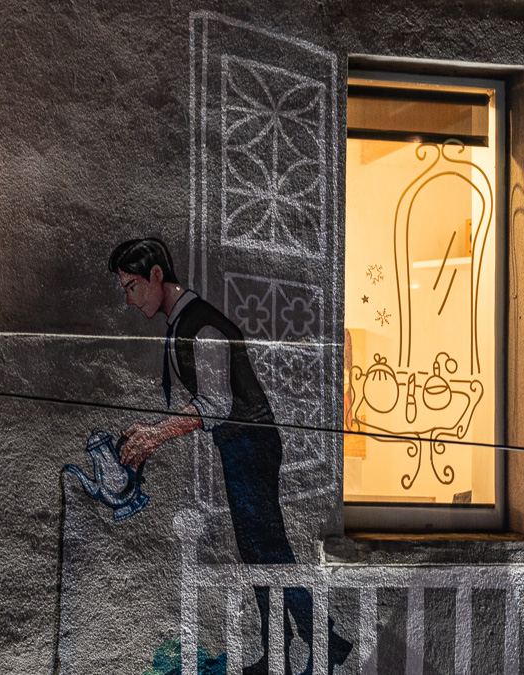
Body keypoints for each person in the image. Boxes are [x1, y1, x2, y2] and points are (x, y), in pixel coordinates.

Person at [110, 238, 350, 675]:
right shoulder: (184, 323)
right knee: (258, 552)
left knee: (268, 552)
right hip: (239, 447)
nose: (128, 299)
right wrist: (151, 431)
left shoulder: (203, 326)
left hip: (252, 446)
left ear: (157, 276)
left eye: (131, 286)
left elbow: (216, 403)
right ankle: (285, 649)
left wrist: (155, 436)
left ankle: (323, 642)